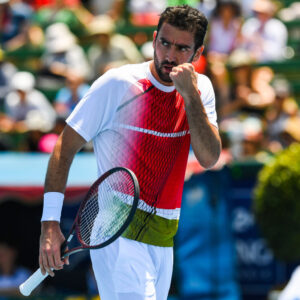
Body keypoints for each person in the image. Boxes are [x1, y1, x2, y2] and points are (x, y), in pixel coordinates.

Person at [38, 5, 221, 300]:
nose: (170, 55)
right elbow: (64, 148)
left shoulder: (202, 91)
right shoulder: (118, 84)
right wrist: (49, 225)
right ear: (153, 39)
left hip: (163, 237)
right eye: (164, 42)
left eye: (182, 48)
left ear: (198, 54)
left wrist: (189, 97)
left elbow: (209, 158)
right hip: (117, 234)